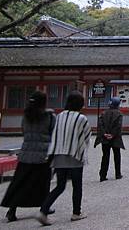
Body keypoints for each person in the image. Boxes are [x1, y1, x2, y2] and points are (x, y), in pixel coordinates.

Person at [38, 91, 91, 225]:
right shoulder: (81, 118)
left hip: (59, 154)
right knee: (77, 185)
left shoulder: (59, 116)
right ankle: (76, 213)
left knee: (60, 186)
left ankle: (43, 210)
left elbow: (54, 133)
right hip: (75, 155)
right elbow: (86, 136)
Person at [1, 91, 55, 222]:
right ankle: (44, 207)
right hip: (42, 154)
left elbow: (23, 131)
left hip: (26, 153)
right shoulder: (49, 116)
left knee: (20, 182)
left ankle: (12, 210)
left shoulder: (26, 115)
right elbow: (53, 133)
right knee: (42, 183)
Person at [94, 97, 125, 181]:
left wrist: (104, 134)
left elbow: (100, 125)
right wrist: (113, 134)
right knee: (117, 156)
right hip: (115, 138)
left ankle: (103, 175)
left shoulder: (103, 113)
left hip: (105, 138)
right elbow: (118, 126)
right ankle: (118, 174)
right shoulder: (119, 114)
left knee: (105, 156)